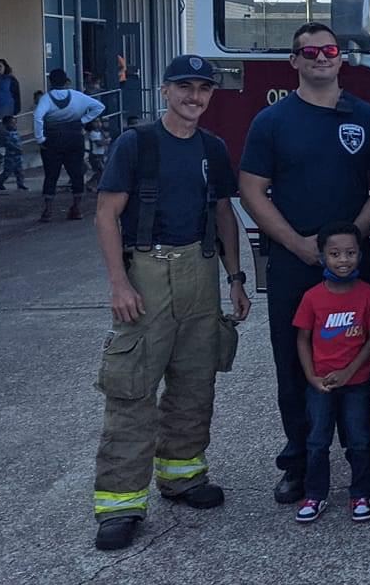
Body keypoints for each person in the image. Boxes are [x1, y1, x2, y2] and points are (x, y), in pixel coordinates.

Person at [90, 55, 251, 551]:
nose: (194, 96)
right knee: (134, 384)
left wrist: (236, 277)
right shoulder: (136, 144)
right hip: (148, 271)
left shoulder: (213, 147)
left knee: (195, 380)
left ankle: (183, 476)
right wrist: (119, 284)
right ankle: (120, 503)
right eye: (185, 86)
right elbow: (106, 214)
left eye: (204, 88)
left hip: (200, 270)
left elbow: (224, 212)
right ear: (165, 91)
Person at [239, 23, 370, 506]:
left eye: (329, 49)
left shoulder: (367, 117)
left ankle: (364, 458)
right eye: (309, 52)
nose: (321, 57)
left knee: (359, 356)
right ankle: (299, 462)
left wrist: (349, 244)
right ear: (294, 62)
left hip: (353, 266)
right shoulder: (272, 121)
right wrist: (300, 245)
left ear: (340, 57)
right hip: (293, 262)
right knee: (294, 358)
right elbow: (251, 190)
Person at [292, 222, 370, 524]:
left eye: (350, 253)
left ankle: (360, 494)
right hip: (320, 383)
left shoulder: (369, 294)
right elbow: (302, 339)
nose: (343, 260)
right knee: (317, 440)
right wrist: (311, 376)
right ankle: (315, 495)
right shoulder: (312, 297)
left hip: (356, 382)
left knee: (358, 439)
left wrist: (348, 372)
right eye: (335, 254)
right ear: (322, 257)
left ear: (360, 255)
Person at [34, 68, 105, 222]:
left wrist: (40, 139)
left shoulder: (46, 98)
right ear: (66, 81)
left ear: (50, 81)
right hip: (74, 136)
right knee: (76, 172)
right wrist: (83, 120)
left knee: (51, 174)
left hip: (52, 138)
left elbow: (38, 117)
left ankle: (48, 210)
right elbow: (99, 107)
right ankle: (76, 208)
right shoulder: (77, 96)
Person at [0, 114, 26, 192]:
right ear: (6, 124)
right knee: (7, 172)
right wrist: (17, 149)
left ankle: (20, 185)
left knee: (20, 171)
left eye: (15, 123)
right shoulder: (5, 134)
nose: (14, 125)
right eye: (12, 123)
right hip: (10, 156)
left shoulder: (15, 132)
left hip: (18, 156)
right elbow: (8, 143)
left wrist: (20, 149)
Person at [86, 119, 110, 191]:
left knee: (100, 172)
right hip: (95, 155)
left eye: (99, 122)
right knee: (100, 171)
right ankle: (93, 184)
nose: (98, 123)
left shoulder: (100, 132)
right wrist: (106, 141)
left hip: (101, 154)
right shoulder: (92, 133)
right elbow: (99, 143)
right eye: (96, 122)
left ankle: (92, 184)